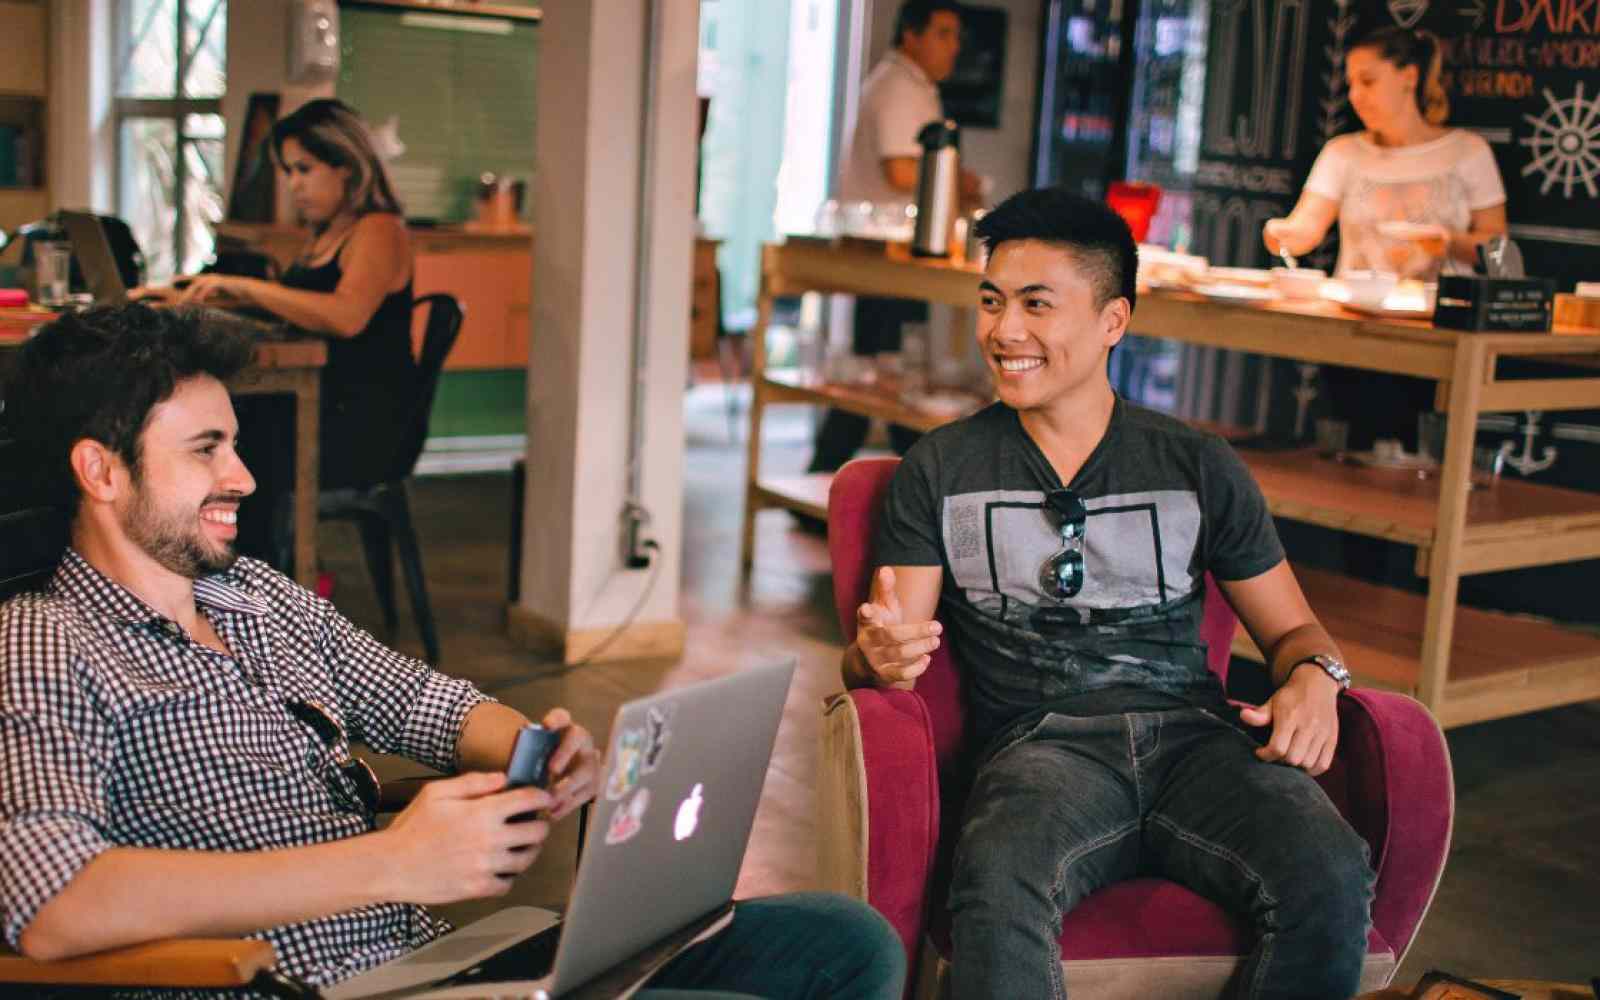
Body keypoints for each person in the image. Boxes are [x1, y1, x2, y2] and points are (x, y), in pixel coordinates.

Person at [0, 304, 905, 998]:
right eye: (207, 450)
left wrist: (533, 751)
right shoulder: (47, 639)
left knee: (848, 940)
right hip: (302, 985)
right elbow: (52, 905)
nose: (243, 476)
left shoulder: (255, 597)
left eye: (234, 444)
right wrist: (390, 861)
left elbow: (424, 704)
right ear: (102, 471)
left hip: (431, 962)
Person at [844, 188, 1375, 998]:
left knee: (1330, 868)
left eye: (1035, 304)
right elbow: (890, 652)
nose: (1003, 330)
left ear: (1113, 322)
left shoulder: (1195, 463)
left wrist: (1315, 678)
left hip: (1200, 744)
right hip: (1040, 750)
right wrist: (873, 654)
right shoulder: (942, 469)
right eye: (991, 302)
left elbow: (1297, 632)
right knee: (998, 880)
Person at [135, 98, 420, 567]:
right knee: (210, 428)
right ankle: (216, 572)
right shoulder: (327, 232)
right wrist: (199, 295)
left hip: (360, 422)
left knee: (226, 440)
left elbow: (345, 316)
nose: (294, 185)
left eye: (304, 169)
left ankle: (247, 580)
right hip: (324, 402)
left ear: (346, 167)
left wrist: (243, 287)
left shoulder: (380, 230)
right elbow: (300, 308)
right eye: (289, 171)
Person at [807, 0, 983, 477]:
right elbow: (901, 166)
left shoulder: (908, 85)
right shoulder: (899, 87)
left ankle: (877, 479)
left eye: (956, 36)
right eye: (944, 34)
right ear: (911, 34)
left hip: (897, 254)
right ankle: (841, 480)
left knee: (885, 373)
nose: (954, 47)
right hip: (890, 254)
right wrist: (957, 181)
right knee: (885, 375)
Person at [1262, 26, 1507, 279]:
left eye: (1368, 81)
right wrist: (1282, 234)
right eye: (1351, 85)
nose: (1355, 95)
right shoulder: (1341, 152)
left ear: (1409, 77)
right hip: (1354, 310)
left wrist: (1449, 242)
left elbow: (1499, 251)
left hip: (1441, 312)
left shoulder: (1468, 151)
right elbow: (1307, 228)